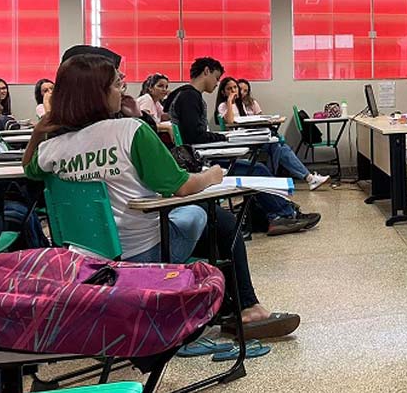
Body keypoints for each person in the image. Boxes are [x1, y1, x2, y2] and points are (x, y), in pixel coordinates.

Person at [23, 54, 300, 339]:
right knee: (214, 218)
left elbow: (29, 169)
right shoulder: (130, 131)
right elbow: (180, 186)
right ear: (97, 94)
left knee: (212, 221)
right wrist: (212, 176)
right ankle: (243, 307)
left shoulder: (51, 148)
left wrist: (39, 132)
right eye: (116, 86)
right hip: (140, 255)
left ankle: (227, 307)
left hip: (85, 258)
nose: (123, 91)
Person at [163, 57, 316, 236]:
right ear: (206, 71)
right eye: (216, 77)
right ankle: (281, 215)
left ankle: (284, 212)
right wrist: (222, 137)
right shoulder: (190, 97)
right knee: (257, 170)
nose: (216, 83)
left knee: (257, 167)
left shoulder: (183, 94)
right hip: (201, 163)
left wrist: (221, 136)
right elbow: (194, 136)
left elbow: (194, 135)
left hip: (198, 157)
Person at [216, 77, 329, 191]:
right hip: (239, 140)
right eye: (229, 89)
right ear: (223, 92)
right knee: (278, 145)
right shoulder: (223, 106)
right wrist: (230, 101)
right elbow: (230, 121)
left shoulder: (242, 105)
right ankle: (280, 180)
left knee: (278, 145)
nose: (234, 91)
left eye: (235, 87)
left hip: (250, 136)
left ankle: (305, 178)